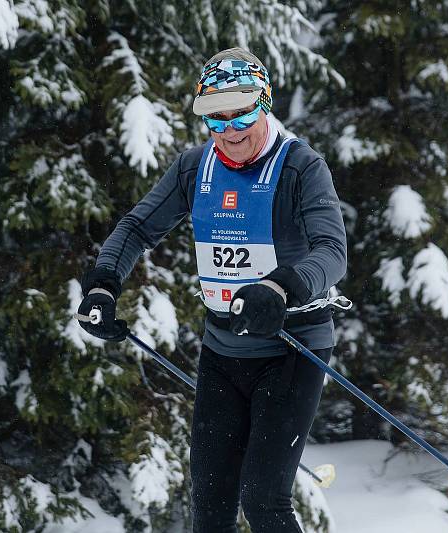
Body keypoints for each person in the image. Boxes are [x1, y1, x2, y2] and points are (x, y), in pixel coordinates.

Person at [77, 47, 347, 532]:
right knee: (210, 500)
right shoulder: (193, 167)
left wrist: (280, 287)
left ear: (264, 103)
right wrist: (102, 286)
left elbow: (332, 251)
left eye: (241, 113)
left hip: (292, 348)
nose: (230, 131)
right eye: (215, 119)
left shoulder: (300, 166)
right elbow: (137, 228)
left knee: (263, 499)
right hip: (222, 351)